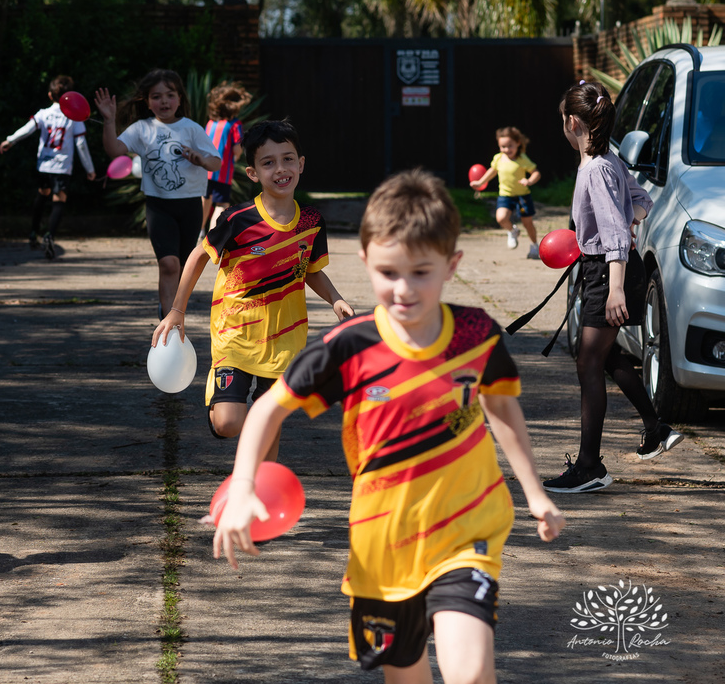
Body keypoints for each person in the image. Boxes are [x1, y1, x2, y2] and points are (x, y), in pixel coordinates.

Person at [211, 169, 565, 684]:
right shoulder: (350, 347)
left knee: (469, 674)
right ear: (366, 263)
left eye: (422, 272)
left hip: (469, 531)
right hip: (382, 548)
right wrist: (242, 486)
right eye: (388, 273)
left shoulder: (476, 335)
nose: (403, 290)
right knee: (407, 674)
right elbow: (269, 409)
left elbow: (503, 410)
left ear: (452, 264)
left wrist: (534, 492)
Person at [153, 120, 353, 459]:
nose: (281, 169)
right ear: (252, 173)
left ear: (301, 164)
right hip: (235, 337)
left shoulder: (311, 222)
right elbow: (199, 256)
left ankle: (261, 493)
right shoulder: (238, 219)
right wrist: (177, 310)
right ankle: (227, 416)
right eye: (268, 162)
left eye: (288, 159)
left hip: (285, 342)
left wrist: (336, 299)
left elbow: (310, 270)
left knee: (270, 420)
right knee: (229, 424)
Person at [542, 80, 683, 494]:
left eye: (562, 123)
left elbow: (617, 233)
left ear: (572, 123)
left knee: (588, 363)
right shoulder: (610, 160)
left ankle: (589, 467)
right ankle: (655, 428)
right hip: (606, 270)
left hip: (608, 273)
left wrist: (616, 287)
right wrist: (627, 215)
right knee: (602, 357)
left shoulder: (595, 169)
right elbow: (642, 201)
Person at [93, 70, 222, 317]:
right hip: (158, 207)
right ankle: (167, 320)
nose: (164, 101)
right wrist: (109, 120)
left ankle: (175, 313)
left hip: (190, 207)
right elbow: (114, 150)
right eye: (156, 96)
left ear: (180, 99)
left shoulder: (192, 129)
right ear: (147, 101)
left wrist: (200, 159)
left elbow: (216, 162)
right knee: (168, 264)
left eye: (170, 95)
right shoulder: (142, 129)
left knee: (183, 268)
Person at [0, 75, 95, 259]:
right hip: (62, 167)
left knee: (42, 196)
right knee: (59, 201)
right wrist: (89, 169)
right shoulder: (75, 117)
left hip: (44, 164)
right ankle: (49, 235)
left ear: (50, 95)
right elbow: (81, 144)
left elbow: (27, 129)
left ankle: (33, 232)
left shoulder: (43, 113)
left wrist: (10, 140)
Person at [469, 126, 541, 259]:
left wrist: (529, 181)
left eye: (510, 146)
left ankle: (534, 245)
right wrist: (480, 182)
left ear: (518, 143)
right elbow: (492, 171)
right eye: (503, 146)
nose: (506, 150)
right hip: (505, 195)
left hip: (522, 196)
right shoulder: (498, 158)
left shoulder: (522, 159)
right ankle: (512, 231)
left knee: (527, 223)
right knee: (501, 218)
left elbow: (536, 172)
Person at [200, 81, 251, 239]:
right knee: (221, 205)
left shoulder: (210, 123)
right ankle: (211, 236)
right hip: (223, 172)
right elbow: (237, 148)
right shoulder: (235, 124)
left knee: (205, 199)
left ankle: (199, 230)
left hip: (205, 170)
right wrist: (235, 157)